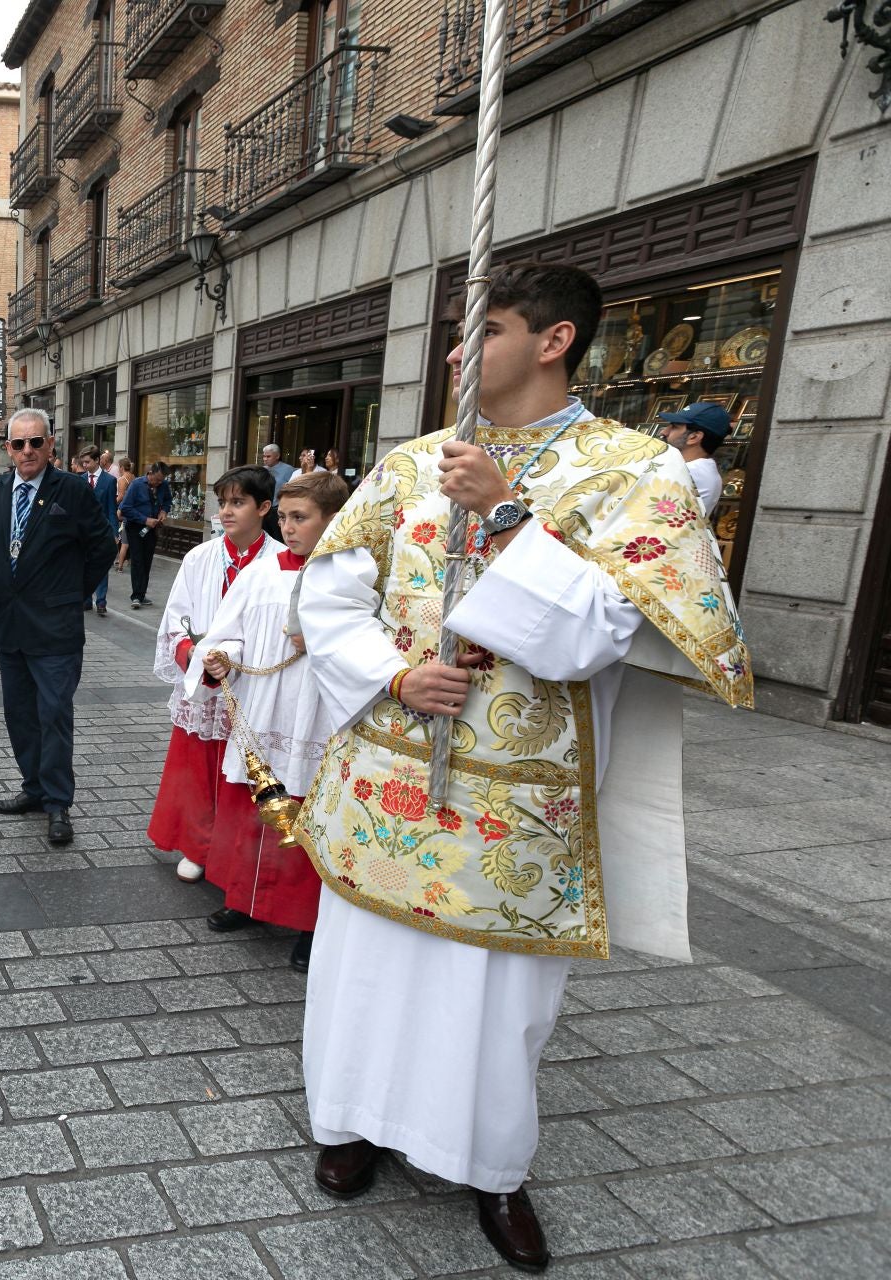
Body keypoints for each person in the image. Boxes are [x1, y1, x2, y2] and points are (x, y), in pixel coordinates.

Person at [294, 262, 751, 1270]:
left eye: (486, 330)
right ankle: (353, 1116)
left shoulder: (636, 471)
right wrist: (391, 675)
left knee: (494, 999)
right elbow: (327, 595)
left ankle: (491, 1164)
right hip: (389, 776)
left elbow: (602, 636)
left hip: (520, 797)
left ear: (554, 341)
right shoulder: (411, 463)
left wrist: (507, 515)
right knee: (366, 967)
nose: (459, 352)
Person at [195, 470, 348, 970]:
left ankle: (309, 923)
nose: (288, 527)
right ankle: (247, 898)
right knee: (253, 808)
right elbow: (229, 631)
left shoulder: (352, 575)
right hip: (263, 709)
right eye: (283, 517)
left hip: (315, 715)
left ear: (334, 520)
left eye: (300, 518)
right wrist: (220, 657)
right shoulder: (260, 573)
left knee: (307, 815)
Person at [0, 408, 116, 846]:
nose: (27, 450)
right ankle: (33, 787)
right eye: (18, 443)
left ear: (51, 444)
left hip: (55, 629)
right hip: (11, 626)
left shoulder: (71, 490)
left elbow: (102, 547)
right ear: (8, 449)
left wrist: (72, 591)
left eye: (36, 442)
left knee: (54, 716)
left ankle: (57, 803)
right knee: (20, 716)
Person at [146, 464, 280, 886]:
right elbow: (174, 621)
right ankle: (199, 846)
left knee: (245, 774)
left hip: (252, 684)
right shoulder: (199, 557)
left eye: (238, 502)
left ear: (263, 507)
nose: (226, 511)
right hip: (204, 686)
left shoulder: (280, 561)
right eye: (222, 502)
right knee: (200, 770)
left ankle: (237, 854)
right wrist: (192, 654)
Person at [655, 401, 730, 515]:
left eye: (674, 427)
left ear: (694, 437)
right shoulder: (699, 468)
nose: (664, 432)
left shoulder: (692, 471)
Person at [117, 460, 170, 609]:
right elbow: (125, 508)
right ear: (150, 473)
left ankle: (142, 593)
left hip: (152, 529)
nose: (158, 483)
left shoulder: (163, 486)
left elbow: (167, 501)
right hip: (135, 527)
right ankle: (136, 596)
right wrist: (145, 520)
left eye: (161, 480)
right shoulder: (136, 485)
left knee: (147, 561)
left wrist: (164, 511)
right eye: (157, 479)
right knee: (138, 560)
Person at [75, 446, 120, 617]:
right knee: (84, 565)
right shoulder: (80, 479)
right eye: (82, 462)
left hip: (101, 531)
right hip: (82, 532)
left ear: (96, 460)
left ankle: (101, 602)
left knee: (101, 565)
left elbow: (111, 508)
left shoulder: (109, 481)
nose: (84, 465)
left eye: (87, 462)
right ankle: (86, 600)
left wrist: (114, 532)